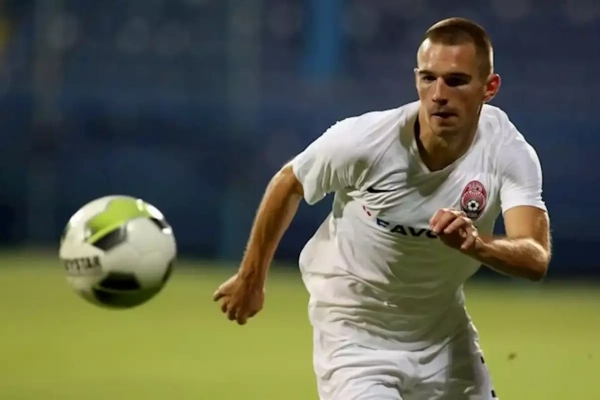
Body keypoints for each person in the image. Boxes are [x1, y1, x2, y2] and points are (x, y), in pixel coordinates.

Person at [213, 17, 551, 400]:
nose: (439, 94)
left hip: (442, 334)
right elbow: (289, 182)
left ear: (489, 88)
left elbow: (535, 257)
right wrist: (251, 278)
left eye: (456, 81)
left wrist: (477, 245)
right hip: (355, 332)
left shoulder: (508, 152)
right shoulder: (365, 142)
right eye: (428, 78)